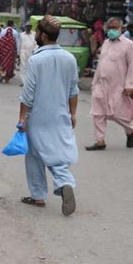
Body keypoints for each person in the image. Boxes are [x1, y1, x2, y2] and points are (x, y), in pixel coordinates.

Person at [18, 15, 78, 216]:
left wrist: (21, 119)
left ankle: (38, 195)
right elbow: (73, 90)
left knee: (35, 155)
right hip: (61, 114)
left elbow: (28, 94)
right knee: (57, 154)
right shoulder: (69, 59)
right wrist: (74, 113)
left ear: (42, 35)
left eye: (37, 32)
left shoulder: (36, 60)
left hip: (38, 116)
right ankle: (64, 181)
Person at [84, 17, 133, 151]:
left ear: (121, 29)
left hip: (119, 85)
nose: (111, 30)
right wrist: (94, 83)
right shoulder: (105, 43)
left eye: (114, 28)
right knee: (98, 112)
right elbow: (101, 64)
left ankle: (130, 131)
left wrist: (129, 85)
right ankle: (100, 141)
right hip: (101, 84)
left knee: (117, 114)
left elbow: (132, 66)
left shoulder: (128, 45)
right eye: (109, 27)